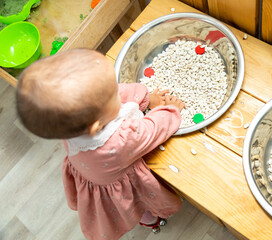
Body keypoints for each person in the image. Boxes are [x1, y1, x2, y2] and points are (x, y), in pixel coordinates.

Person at [16, 48, 185, 240]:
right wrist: (169, 109)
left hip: (90, 171)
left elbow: (120, 92)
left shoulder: (70, 123)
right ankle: (149, 219)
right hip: (120, 185)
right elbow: (153, 129)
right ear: (98, 125)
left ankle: (146, 219)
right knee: (138, 202)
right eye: (112, 93)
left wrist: (146, 97)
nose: (117, 90)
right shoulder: (119, 142)